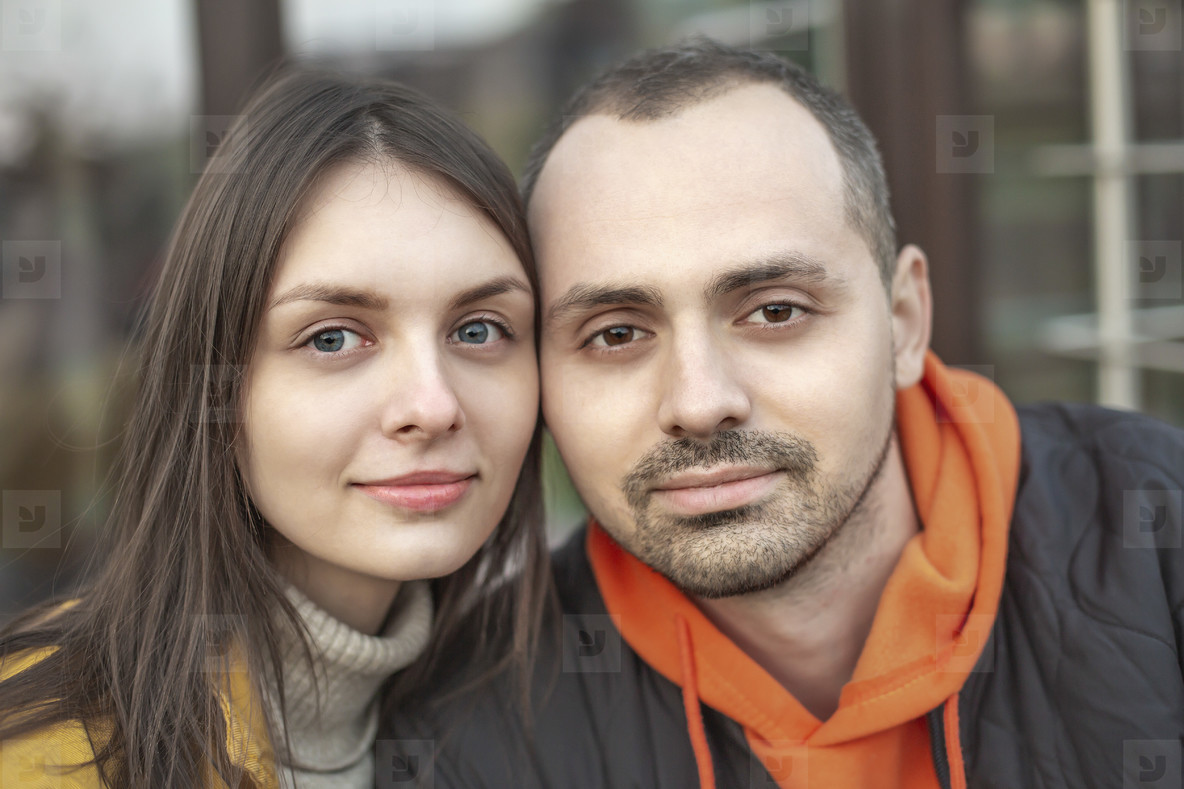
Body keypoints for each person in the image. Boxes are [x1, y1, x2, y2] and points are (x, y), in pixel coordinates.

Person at [385, 38, 1184, 788]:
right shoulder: (474, 735)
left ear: (904, 322)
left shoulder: (1161, 546)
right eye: (616, 333)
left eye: (775, 312)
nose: (699, 403)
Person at [0, 69, 551, 788]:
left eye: (479, 328)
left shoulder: (552, 708)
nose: (433, 403)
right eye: (331, 338)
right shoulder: (51, 754)